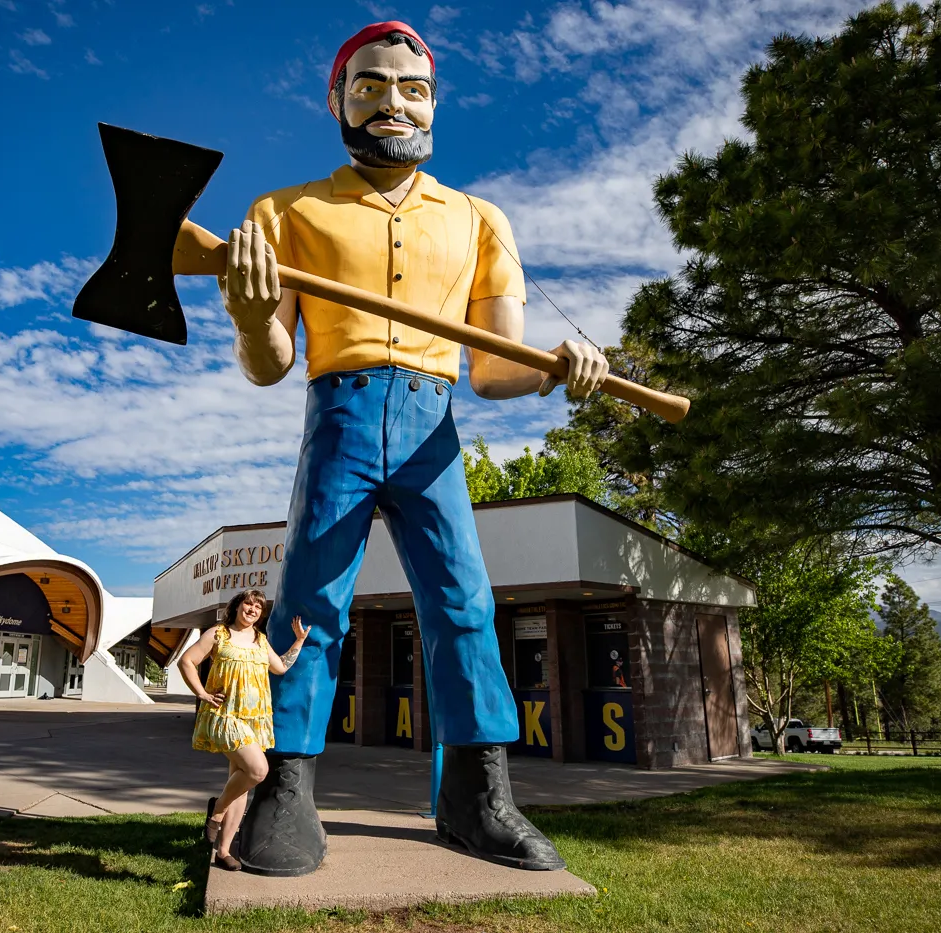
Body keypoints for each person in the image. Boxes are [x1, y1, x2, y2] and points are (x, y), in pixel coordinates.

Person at [219, 20, 609, 877]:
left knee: (464, 602)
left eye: (412, 87)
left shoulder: (478, 219)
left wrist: (555, 368)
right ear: (336, 99)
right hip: (341, 418)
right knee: (308, 605)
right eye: (370, 84)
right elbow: (269, 364)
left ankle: (477, 796)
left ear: (433, 101)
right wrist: (253, 314)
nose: (392, 101)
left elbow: (494, 368)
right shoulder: (283, 212)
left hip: (434, 429)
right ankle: (287, 789)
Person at [176, 588, 308, 871]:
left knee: (240, 780)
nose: (252, 610)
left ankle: (223, 851)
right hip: (226, 717)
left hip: (255, 719)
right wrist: (201, 693)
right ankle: (218, 810)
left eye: (258, 607)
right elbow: (186, 661)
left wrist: (298, 641)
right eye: (248, 604)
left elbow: (280, 668)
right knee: (258, 771)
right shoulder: (218, 634)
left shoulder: (260, 640)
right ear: (237, 606)